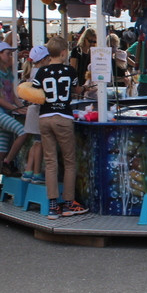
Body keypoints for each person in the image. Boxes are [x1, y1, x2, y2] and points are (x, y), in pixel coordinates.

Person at [33, 36, 88, 219]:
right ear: (64, 53)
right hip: (63, 117)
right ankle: (68, 203)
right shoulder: (70, 71)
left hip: (45, 117)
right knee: (69, 161)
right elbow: (76, 90)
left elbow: (34, 92)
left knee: (50, 162)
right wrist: (86, 87)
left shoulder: (41, 72)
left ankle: (52, 205)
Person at [0, 41, 29, 200]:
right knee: (22, 132)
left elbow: (12, 96)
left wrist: (21, 107)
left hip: (6, 112)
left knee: (1, 150)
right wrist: (15, 108)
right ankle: (8, 163)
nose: (10, 56)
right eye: (7, 53)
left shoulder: (8, 73)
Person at [21, 45, 50, 185]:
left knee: (35, 143)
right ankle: (37, 172)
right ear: (44, 59)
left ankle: (28, 171)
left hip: (32, 111)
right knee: (39, 144)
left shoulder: (32, 71)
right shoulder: (41, 72)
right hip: (38, 112)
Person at [70, 28, 97, 97]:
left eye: (94, 42)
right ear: (85, 39)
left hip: (89, 82)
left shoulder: (94, 52)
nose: (92, 44)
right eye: (90, 41)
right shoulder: (77, 50)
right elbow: (73, 68)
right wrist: (75, 86)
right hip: (79, 80)